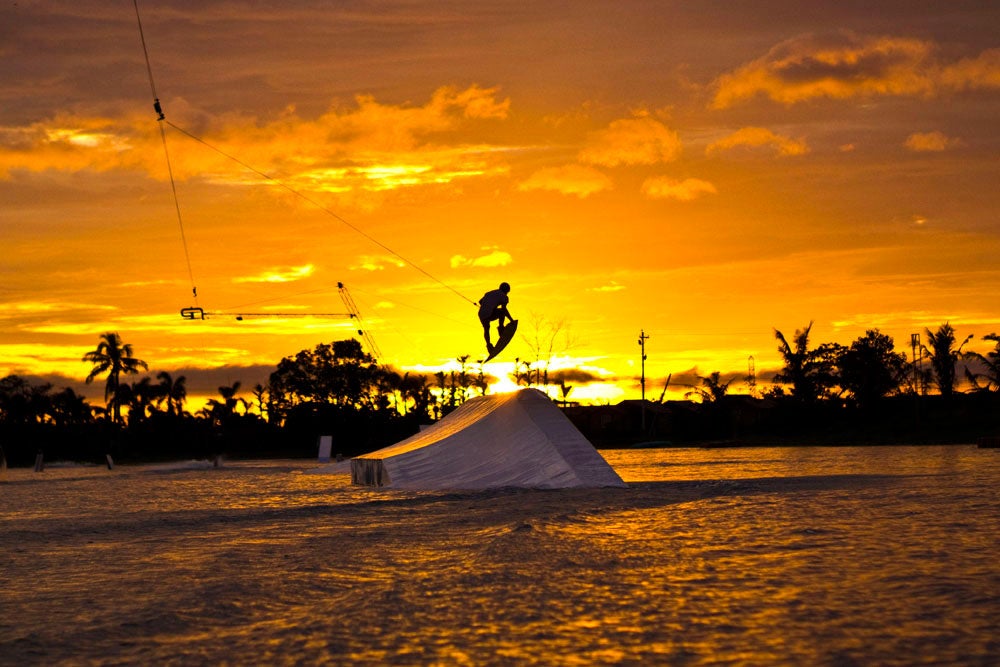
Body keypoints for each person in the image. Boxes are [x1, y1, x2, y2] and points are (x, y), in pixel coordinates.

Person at [478, 282, 513, 353]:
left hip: (481, 314)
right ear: (506, 290)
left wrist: (488, 306)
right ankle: (501, 328)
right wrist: (511, 320)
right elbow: (504, 309)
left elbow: (480, 302)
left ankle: (489, 346)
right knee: (502, 312)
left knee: (486, 329)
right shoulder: (504, 296)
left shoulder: (490, 293)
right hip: (489, 313)